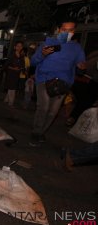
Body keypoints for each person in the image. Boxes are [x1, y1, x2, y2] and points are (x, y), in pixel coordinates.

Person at [29, 18, 86, 146]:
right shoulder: (48, 43)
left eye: (70, 30)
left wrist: (81, 67)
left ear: (74, 31)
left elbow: (80, 66)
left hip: (63, 83)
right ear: (59, 30)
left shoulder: (76, 48)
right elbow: (33, 62)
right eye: (64, 30)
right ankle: (36, 133)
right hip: (44, 79)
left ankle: (41, 132)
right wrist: (42, 54)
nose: (67, 32)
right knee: (43, 107)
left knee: (52, 112)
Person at [3, 41, 25, 108]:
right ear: (15, 47)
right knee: (12, 89)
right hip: (10, 74)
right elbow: (6, 66)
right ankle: (10, 103)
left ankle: (6, 99)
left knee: (12, 88)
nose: (19, 47)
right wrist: (13, 68)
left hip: (17, 75)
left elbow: (22, 65)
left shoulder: (21, 56)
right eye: (18, 46)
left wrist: (21, 68)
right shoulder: (11, 55)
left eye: (20, 46)